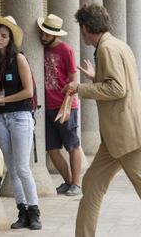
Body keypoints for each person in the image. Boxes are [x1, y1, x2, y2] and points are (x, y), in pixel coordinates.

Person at [63, 2, 141, 237]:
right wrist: (97, 77)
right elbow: (119, 82)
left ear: (85, 27)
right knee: (91, 185)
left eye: (80, 28)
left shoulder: (107, 49)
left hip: (126, 135)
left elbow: (118, 89)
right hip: (116, 136)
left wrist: (81, 88)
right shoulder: (117, 45)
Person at [0, 15, 42, 230]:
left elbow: (28, 91)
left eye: (4, 35)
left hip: (20, 116)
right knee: (11, 168)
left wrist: (2, 99)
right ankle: (21, 211)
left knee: (22, 167)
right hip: (0, 118)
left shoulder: (19, 58)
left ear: (10, 38)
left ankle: (35, 212)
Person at [37, 14, 82, 196]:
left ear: (56, 35)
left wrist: (67, 105)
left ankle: (76, 185)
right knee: (52, 148)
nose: (43, 37)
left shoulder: (66, 50)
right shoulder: (41, 48)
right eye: (42, 33)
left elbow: (73, 80)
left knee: (72, 145)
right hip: (46, 106)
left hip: (65, 106)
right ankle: (67, 181)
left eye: (47, 34)